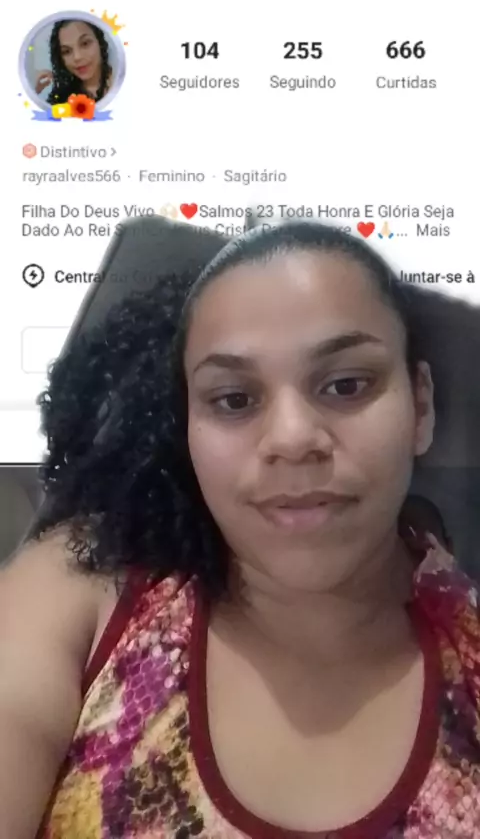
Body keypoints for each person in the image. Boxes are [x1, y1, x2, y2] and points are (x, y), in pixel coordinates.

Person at [1, 221, 479, 838]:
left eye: (346, 385)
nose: (292, 438)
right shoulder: (80, 591)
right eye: (233, 400)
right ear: (187, 427)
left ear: (421, 406)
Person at [34, 19, 112, 104]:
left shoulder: (120, 82)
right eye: (66, 51)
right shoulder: (61, 100)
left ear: (100, 43)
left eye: (85, 43)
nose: (77, 57)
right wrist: (33, 91)